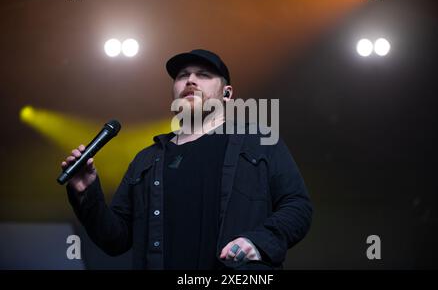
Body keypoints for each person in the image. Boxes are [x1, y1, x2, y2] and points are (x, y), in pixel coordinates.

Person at [63, 49, 313, 270]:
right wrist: (86, 193)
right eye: (182, 76)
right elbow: (115, 240)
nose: (190, 80)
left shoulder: (258, 141)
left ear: (226, 93)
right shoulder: (146, 160)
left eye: (203, 75)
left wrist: (258, 241)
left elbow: (297, 206)